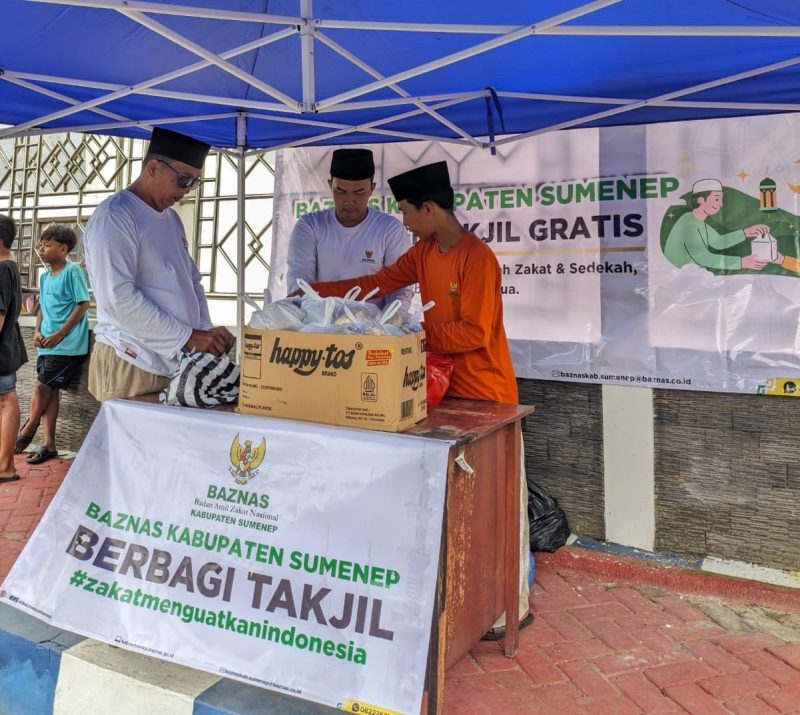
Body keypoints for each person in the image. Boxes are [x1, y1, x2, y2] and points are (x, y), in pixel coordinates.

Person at [309, 161, 531, 638]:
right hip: (443, 393)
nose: (403, 222)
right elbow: (379, 283)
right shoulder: (424, 251)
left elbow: (473, 331)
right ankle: (469, 601)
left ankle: (514, 603)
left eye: (407, 212)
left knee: (501, 506)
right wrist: (314, 296)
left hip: (489, 397)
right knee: (461, 507)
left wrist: (415, 334)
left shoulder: (477, 258)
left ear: (430, 208)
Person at [84, 127, 235, 401]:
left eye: (194, 183)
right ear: (153, 167)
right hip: (131, 359)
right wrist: (189, 337)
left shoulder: (171, 219)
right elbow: (118, 299)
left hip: (173, 358)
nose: (186, 192)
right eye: (183, 180)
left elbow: (192, 283)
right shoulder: (116, 216)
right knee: (130, 443)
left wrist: (204, 332)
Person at [286, 148, 413, 310]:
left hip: (374, 330)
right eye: (341, 191)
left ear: (372, 188)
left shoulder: (390, 230)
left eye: (359, 192)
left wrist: (390, 322)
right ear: (330, 185)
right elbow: (300, 286)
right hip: (318, 326)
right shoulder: (310, 226)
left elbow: (400, 289)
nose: (349, 200)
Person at [14, 225, 89, 464]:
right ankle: (49, 445)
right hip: (46, 344)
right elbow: (42, 310)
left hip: (67, 346)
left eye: (47, 245)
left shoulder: (72, 272)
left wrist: (60, 334)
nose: (41, 249)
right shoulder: (45, 277)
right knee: (50, 392)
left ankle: (28, 428)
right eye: (40, 245)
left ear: (63, 249)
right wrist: (37, 331)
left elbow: (83, 304)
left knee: (41, 387)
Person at [663, 179, 770, 272]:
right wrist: (741, 262)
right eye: (717, 199)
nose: (721, 204)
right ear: (701, 200)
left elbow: (718, 242)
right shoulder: (688, 222)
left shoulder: (697, 221)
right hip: (674, 274)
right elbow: (702, 257)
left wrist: (746, 233)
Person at [0, 215, 28, 483]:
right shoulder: (10, 266)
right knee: (6, 400)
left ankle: (5, 466)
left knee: (6, 401)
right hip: (7, 347)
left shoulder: (0, 270)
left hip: (2, 350)